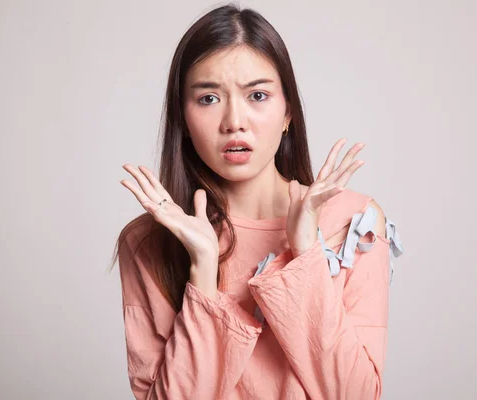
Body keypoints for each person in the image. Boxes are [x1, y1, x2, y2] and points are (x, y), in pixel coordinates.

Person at [111, 3, 404, 399]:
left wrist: (305, 255)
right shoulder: (150, 240)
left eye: (258, 95)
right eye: (209, 99)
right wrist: (202, 271)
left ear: (288, 114)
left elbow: (354, 395)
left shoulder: (353, 221)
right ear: (182, 119)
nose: (235, 120)